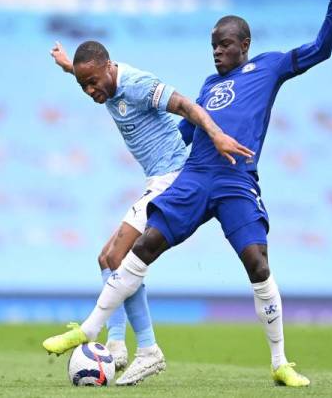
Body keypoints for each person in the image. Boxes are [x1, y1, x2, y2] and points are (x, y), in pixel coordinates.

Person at [44, 0, 332, 387]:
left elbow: (320, 49)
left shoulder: (268, 68)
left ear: (244, 45)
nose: (217, 52)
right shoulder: (209, 87)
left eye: (225, 45)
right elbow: (184, 132)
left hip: (236, 180)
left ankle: (279, 362)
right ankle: (94, 332)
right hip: (194, 176)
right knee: (144, 246)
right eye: (213, 45)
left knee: (257, 262)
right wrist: (161, 156)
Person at [42, 40, 253, 385]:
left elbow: (185, 104)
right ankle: (117, 345)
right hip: (157, 179)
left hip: (173, 178)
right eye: (83, 85)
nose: (90, 90)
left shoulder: (136, 85)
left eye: (93, 81)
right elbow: (87, 73)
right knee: (106, 259)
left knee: (117, 255)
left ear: (108, 66)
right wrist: (68, 65)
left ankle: (146, 349)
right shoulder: (102, 81)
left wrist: (216, 135)